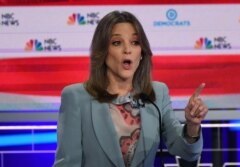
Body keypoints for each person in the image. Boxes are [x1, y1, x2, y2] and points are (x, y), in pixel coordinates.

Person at [53, 10, 208, 167]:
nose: (128, 49)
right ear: (103, 51)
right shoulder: (76, 97)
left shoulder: (157, 93)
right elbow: (67, 163)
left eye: (135, 42)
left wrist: (192, 125)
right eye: (117, 43)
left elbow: (186, 151)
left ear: (141, 53)